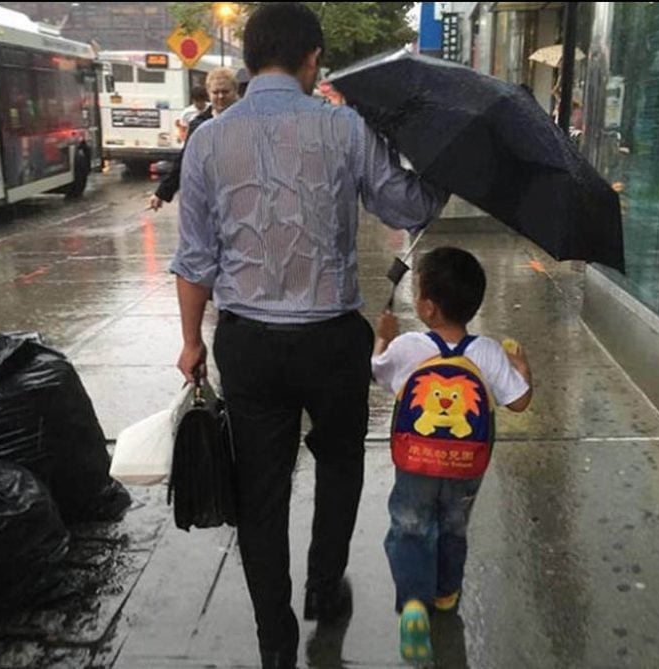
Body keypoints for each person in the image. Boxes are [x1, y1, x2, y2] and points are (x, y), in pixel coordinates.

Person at [170, 3, 447, 667]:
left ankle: (275, 637)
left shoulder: (206, 139)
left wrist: (190, 341)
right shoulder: (346, 127)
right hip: (331, 341)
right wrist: (438, 166)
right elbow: (406, 205)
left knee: (259, 489)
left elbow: (193, 257)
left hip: (249, 344)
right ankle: (325, 586)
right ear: (312, 59)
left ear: (247, 58)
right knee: (340, 463)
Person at [371, 247, 532, 663]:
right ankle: (445, 594)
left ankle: (412, 605)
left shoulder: (408, 347)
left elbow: (378, 371)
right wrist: (522, 368)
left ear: (427, 307)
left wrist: (383, 336)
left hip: (416, 462)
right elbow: (518, 402)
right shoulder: (489, 352)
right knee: (453, 526)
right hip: (465, 468)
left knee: (410, 525)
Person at [148, 68, 239, 211]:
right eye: (215, 92)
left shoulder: (249, 121)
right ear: (209, 94)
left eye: (225, 92)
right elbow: (184, 160)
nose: (220, 96)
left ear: (235, 92)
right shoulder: (199, 125)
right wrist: (162, 193)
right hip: (209, 199)